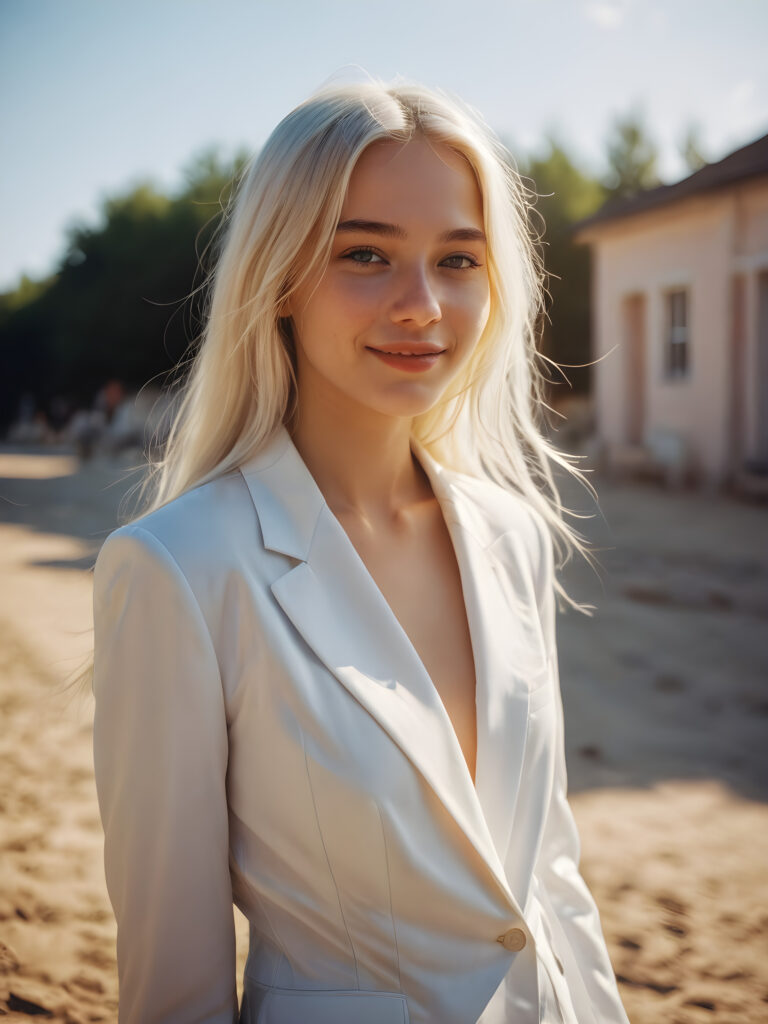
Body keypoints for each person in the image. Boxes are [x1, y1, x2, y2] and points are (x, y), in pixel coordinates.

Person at [91, 78, 631, 1024]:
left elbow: (545, 878)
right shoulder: (179, 568)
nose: (422, 305)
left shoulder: (512, 538)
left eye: (458, 260)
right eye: (367, 254)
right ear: (279, 278)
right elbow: (174, 982)